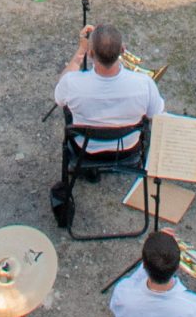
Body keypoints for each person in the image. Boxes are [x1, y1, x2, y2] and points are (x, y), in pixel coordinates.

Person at [51, 23, 166, 226]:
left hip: (84, 151)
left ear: (91, 53)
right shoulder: (144, 84)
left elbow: (59, 97)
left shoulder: (72, 83)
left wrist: (79, 52)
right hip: (128, 151)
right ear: (122, 50)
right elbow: (156, 115)